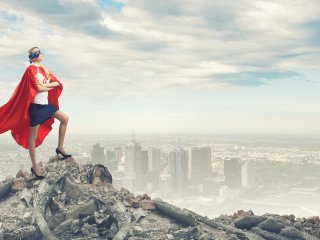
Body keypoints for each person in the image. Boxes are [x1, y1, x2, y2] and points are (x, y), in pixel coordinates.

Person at [0, 47, 72, 180]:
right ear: (34, 56)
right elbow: (37, 88)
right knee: (32, 137)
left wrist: (46, 86)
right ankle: (35, 167)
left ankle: (60, 148)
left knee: (65, 119)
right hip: (36, 107)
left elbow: (57, 83)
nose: (42, 54)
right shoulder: (30, 69)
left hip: (46, 105)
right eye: (39, 52)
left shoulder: (43, 70)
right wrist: (45, 86)